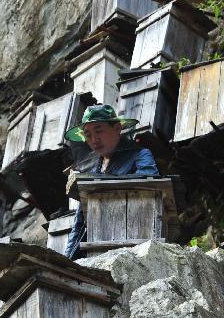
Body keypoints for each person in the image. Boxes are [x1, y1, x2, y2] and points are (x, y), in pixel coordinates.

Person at [62, 104, 159, 259]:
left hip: (134, 239)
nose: (94, 140)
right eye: (88, 134)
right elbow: (80, 221)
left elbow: (149, 187)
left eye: (99, 130)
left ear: (117, 128)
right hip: (98, 247)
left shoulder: (140, 155)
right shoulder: (94, 170)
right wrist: (66, 260)